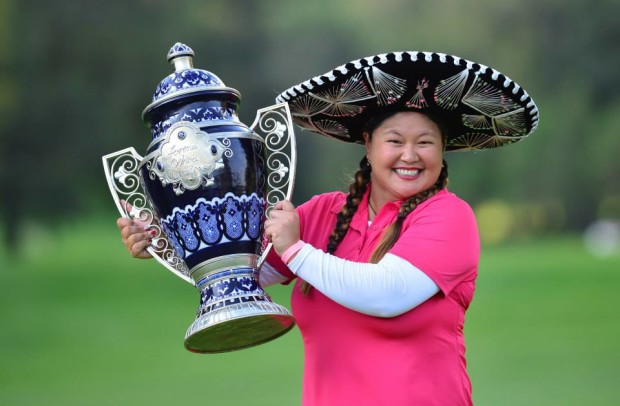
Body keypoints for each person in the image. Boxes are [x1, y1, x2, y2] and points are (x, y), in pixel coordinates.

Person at [118, 51, 539, 405]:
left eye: (425, 142)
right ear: (368, 146)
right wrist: (165, 239)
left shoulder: (450, 217)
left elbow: (387, 294)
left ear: (441, 150)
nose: (409, 155)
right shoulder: (322, 214)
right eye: (395, 140)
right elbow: (244, 277)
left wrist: (298, 252)